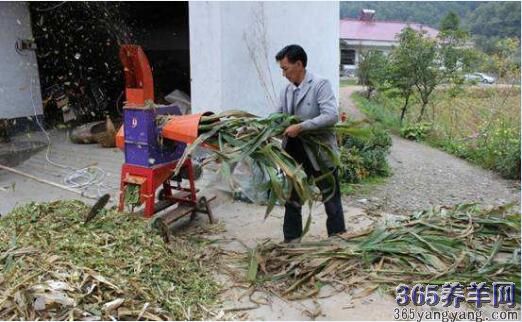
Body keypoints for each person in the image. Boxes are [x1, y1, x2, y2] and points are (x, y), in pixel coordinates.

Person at [275, 44, 347, 242]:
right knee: (293, 197)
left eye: (285, 68)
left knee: (330, 197)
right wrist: (262, 127)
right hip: (295, 152)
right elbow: (278, 116)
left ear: (299, 64)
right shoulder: (286, 90)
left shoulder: (320, 84)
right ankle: (291, 240)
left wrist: (302, 127)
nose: (283, 74)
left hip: (320, 152)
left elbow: (331, 115)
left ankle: (337, 238)